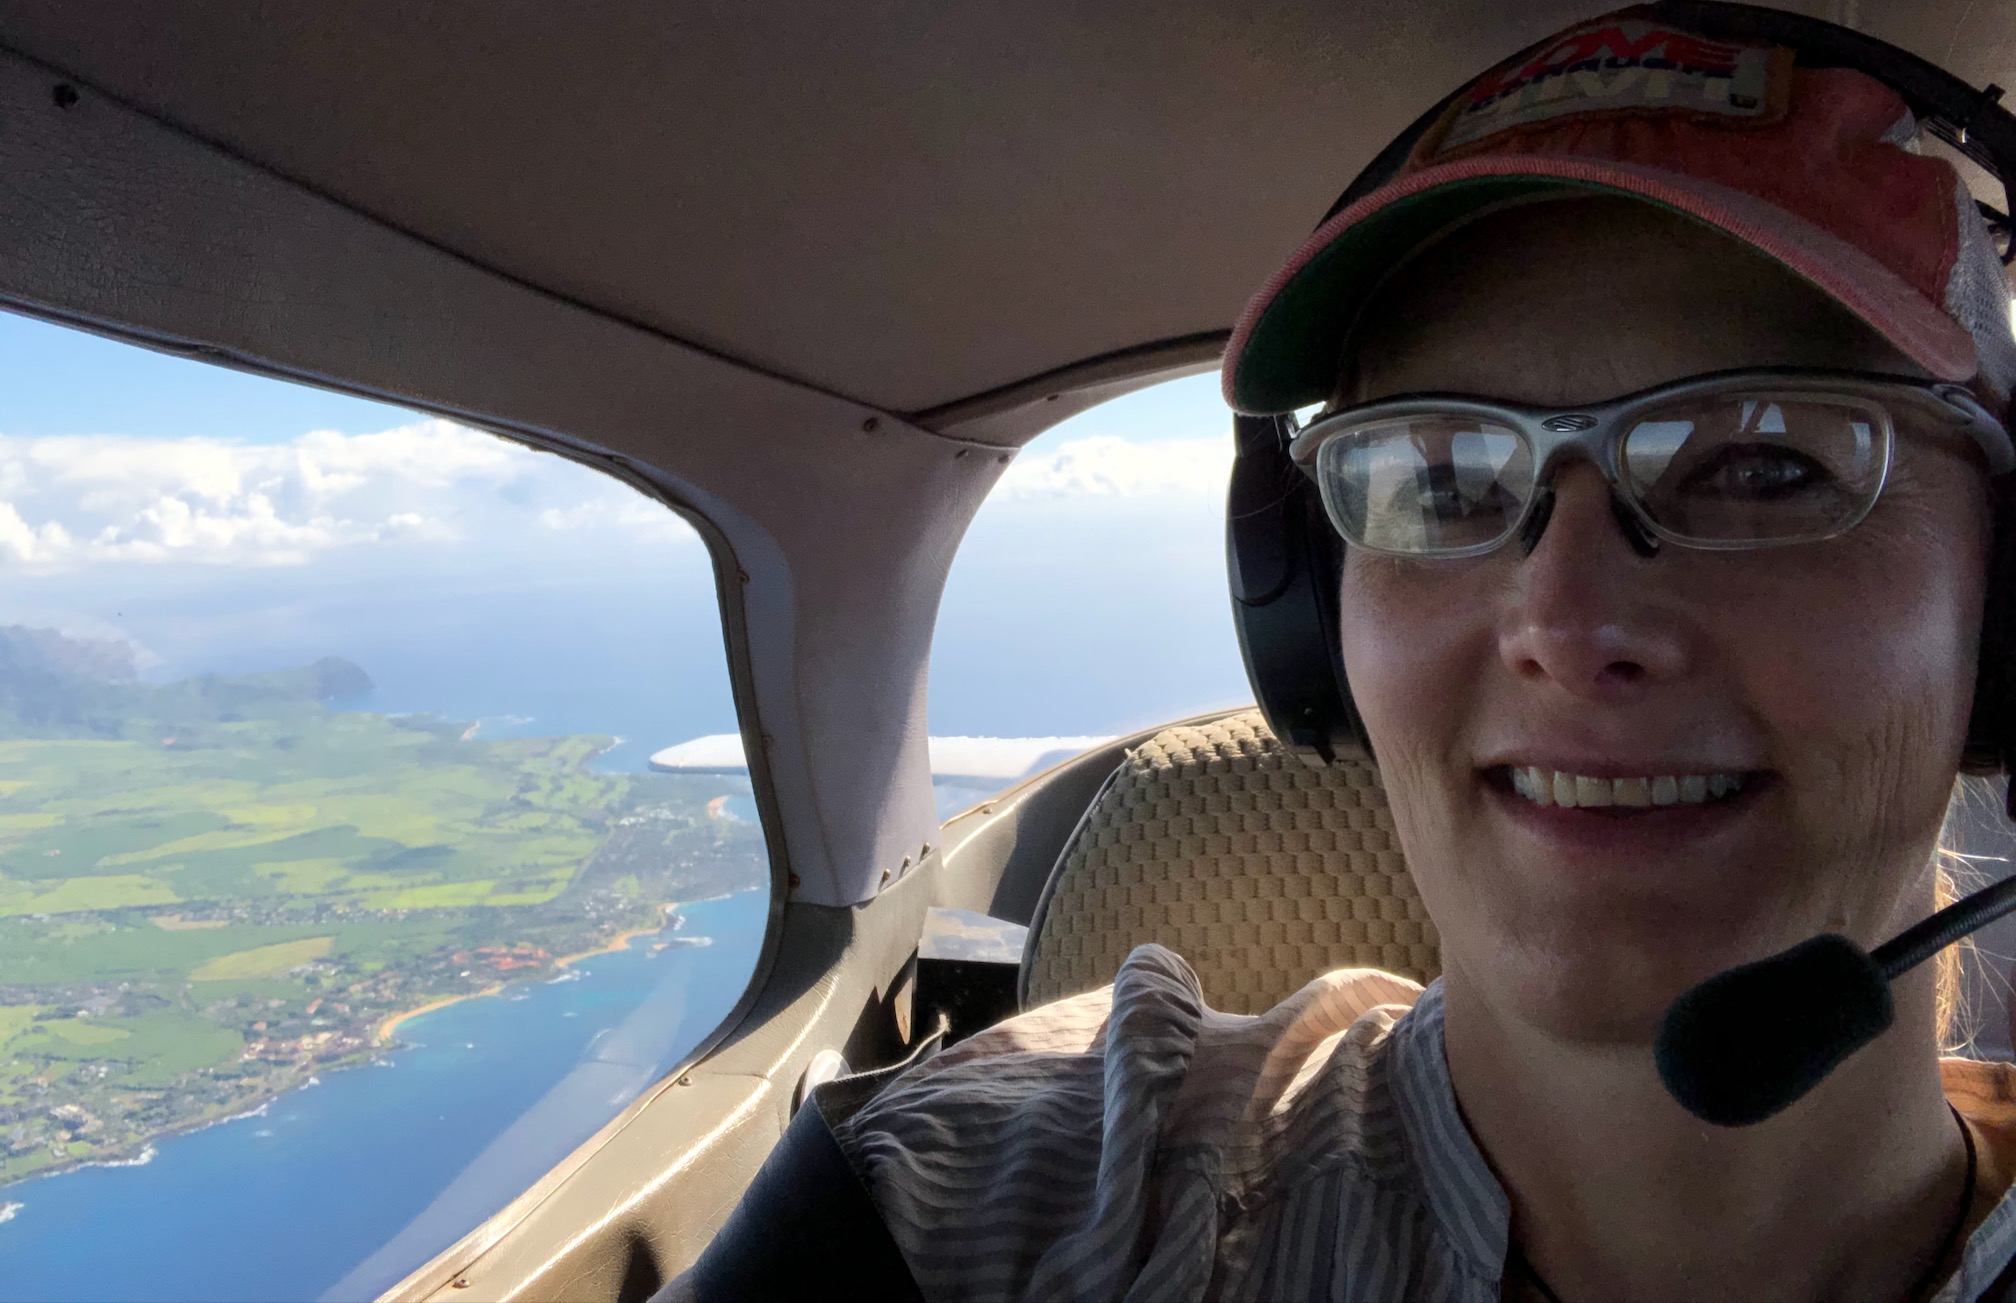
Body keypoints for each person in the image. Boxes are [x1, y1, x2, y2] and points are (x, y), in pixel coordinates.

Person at [668, 5, 2016, 1299]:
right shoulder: (980, 1212)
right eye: (1439, 481)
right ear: (1312, 603)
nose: (1564, 624)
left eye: (1768, 464)